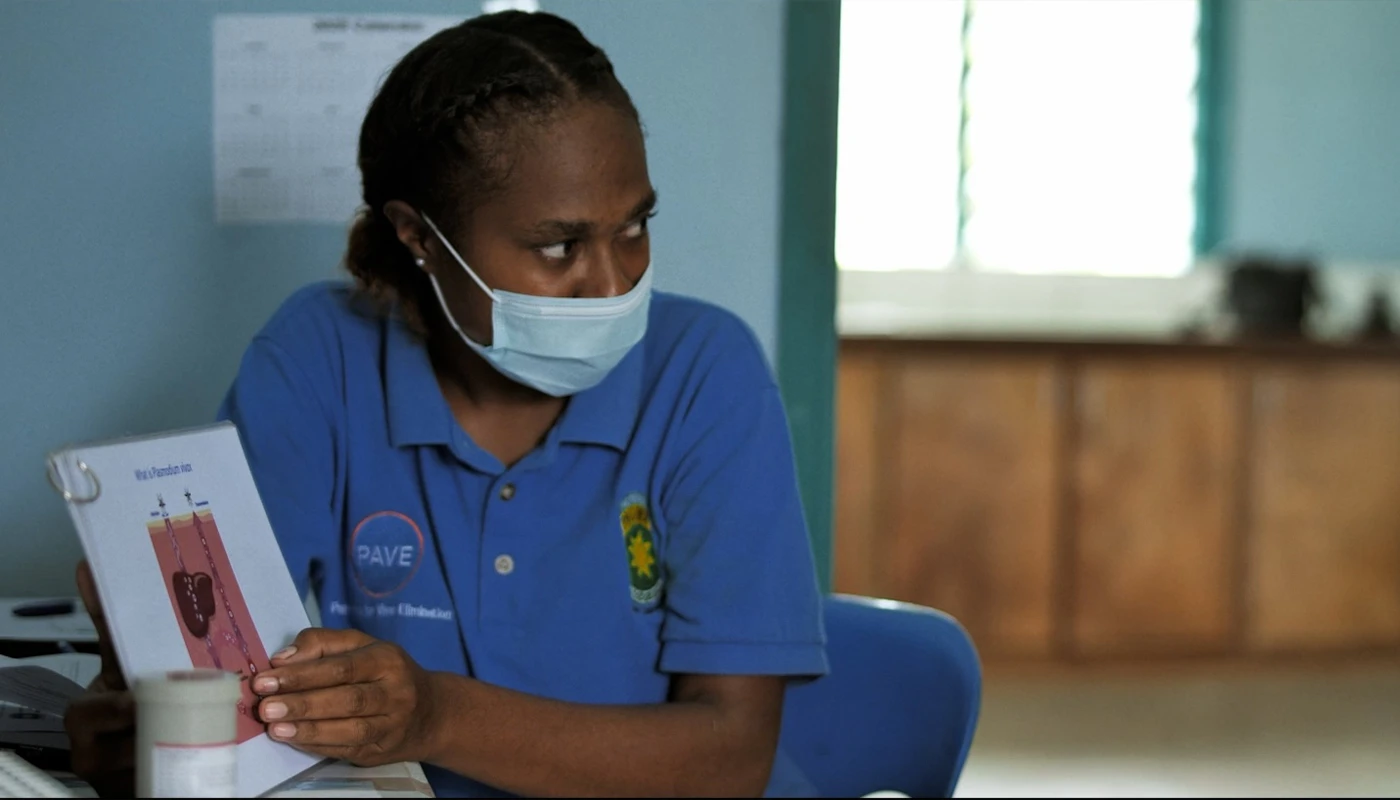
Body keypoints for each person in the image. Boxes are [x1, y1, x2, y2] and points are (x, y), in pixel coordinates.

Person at [63, 9, 826, 798]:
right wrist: (152, 726)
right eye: (559, 246)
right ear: (420, 237)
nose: (613, 280)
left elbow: (731, 758)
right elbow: (241, 679)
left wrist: (434, 716)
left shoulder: (704, 371)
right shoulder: (317, 359)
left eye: (634, 227)